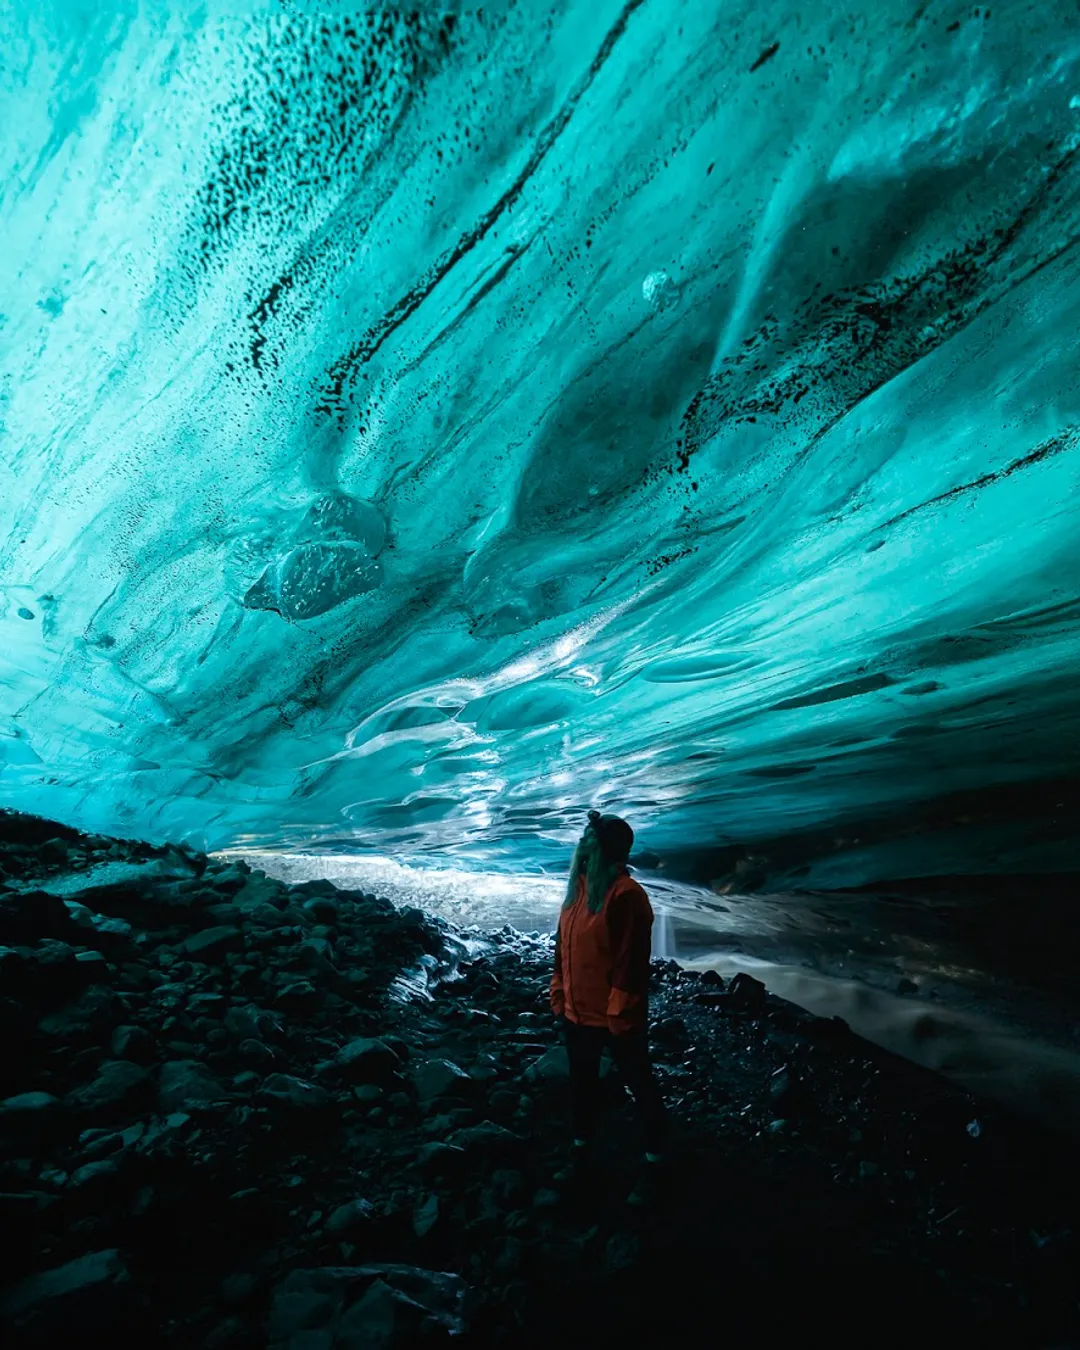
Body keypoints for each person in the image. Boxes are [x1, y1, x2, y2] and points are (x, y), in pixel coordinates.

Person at [550, 809, 668, 1204]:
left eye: (590, 840)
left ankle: (656, 1161)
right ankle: (582, 1150)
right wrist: (559, 990)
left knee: (640, 1084)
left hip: (614, 1016)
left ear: (606, 850)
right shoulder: (579, 888)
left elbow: (630, 964)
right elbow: (562, 946)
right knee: (582, 1084)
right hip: (577, 1012)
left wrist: (620, 1015)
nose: (581, 845)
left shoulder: (626, 896)